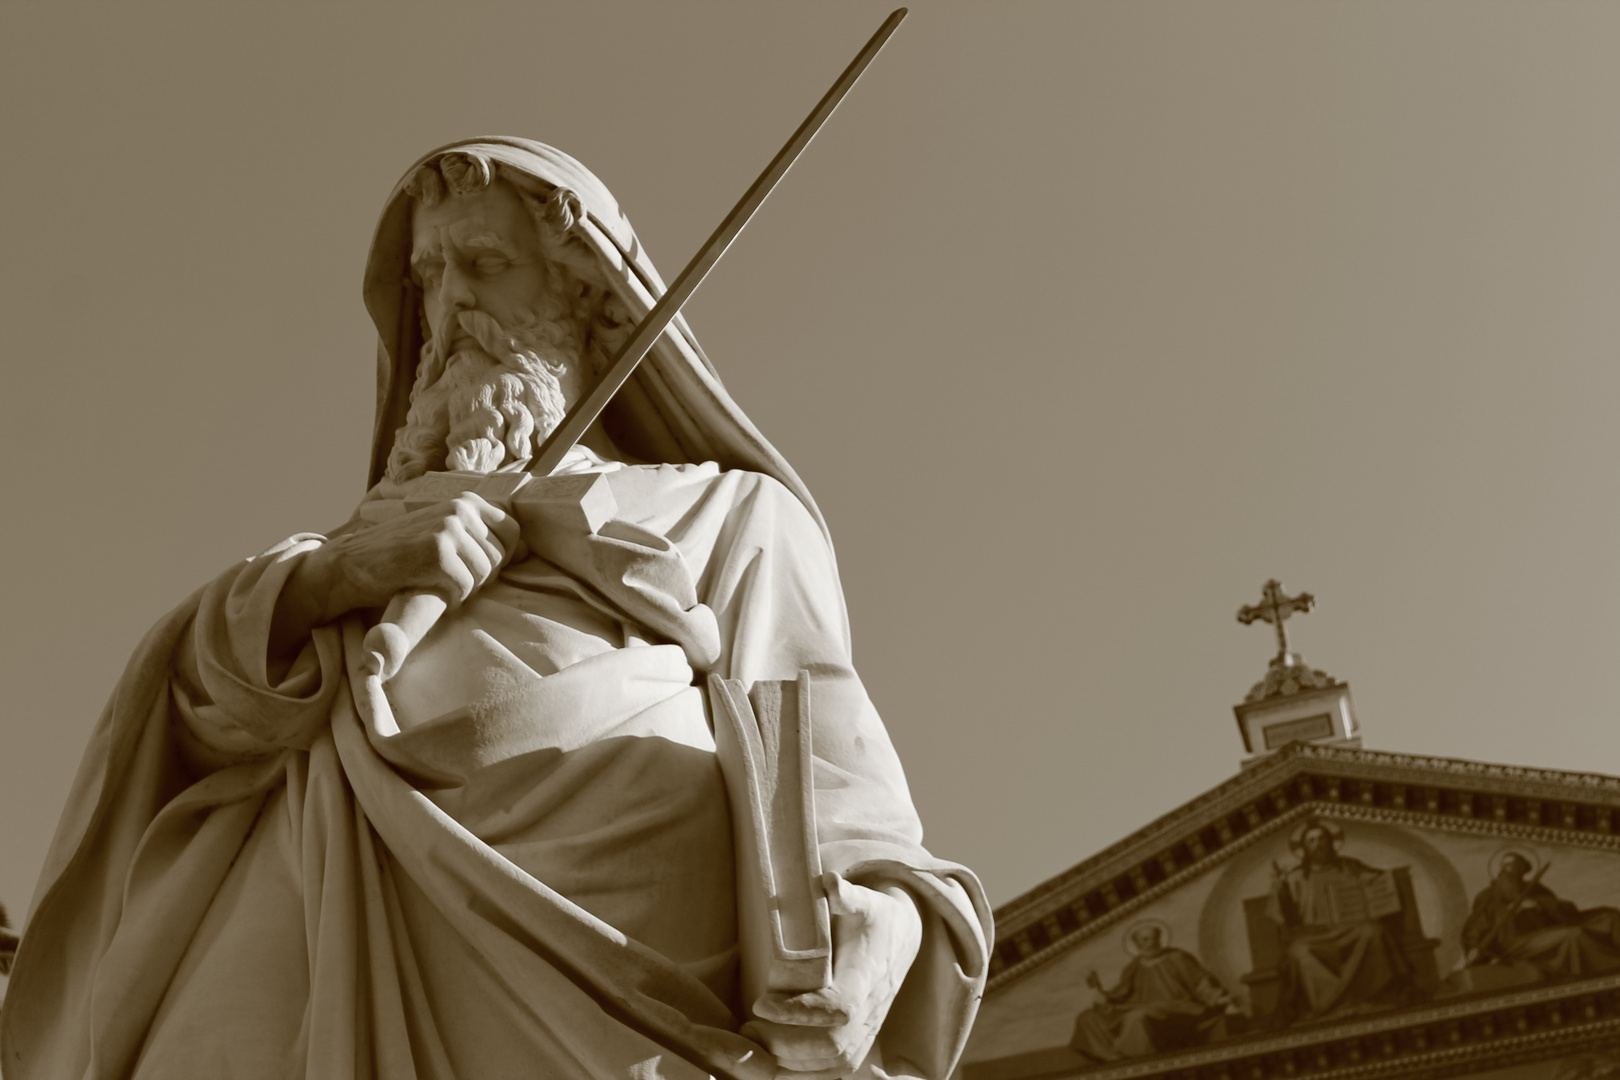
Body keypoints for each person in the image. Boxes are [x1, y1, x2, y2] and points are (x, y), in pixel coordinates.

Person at [0, 140, 990, 1080]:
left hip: (610, 950)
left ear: (589, 305)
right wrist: (334, 580)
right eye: (429, 277)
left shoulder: (725, 508)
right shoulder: (348, 548)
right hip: (323, 880)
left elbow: (804, 733)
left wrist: (876, 915)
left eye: (485, 262)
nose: (453, 301)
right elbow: (188, 698)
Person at [1265, 819, 1416, 1022]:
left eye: (1321, 838)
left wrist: (1384, 887)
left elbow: (1377, 882)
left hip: (1351, 927)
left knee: (1372, 931)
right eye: (1311, 841)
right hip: (1315, 934)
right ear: (1304, 848)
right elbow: (1281, 913)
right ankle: (1326, 1007)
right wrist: (1278, 887)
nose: (1317, 844)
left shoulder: (1349, 866)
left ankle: (1373, 998)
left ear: (1330, 842)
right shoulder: (1296, 876)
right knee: (1298, 951)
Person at [1068, 923, 1235, 1063]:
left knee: (1137, 1017)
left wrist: (1216, 996)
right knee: (1087, 1017)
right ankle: (1112, 1058)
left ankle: (1130, 1060)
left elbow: (1200, 982)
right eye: (1145, 939)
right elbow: (1121, 993)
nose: (1151, 942)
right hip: (1141, 1006)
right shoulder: (1134, 966)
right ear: (1137, 944)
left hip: (1178, 1006)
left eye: (1154, 938)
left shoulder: (1177, 957)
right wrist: (1101, 993)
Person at [1462, 852, 1620, 980]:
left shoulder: (1535, 889)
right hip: (1514, 943)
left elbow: (1565, 911)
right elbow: (1476, 926)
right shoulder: (1489, 896)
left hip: (1544, 933)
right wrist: (1473, 948)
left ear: (1522, 869)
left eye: (1514, 865)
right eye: (1505, 865)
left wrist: (1538, 905)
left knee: (1609, 916)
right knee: (1572, 936)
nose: (1508, 869)